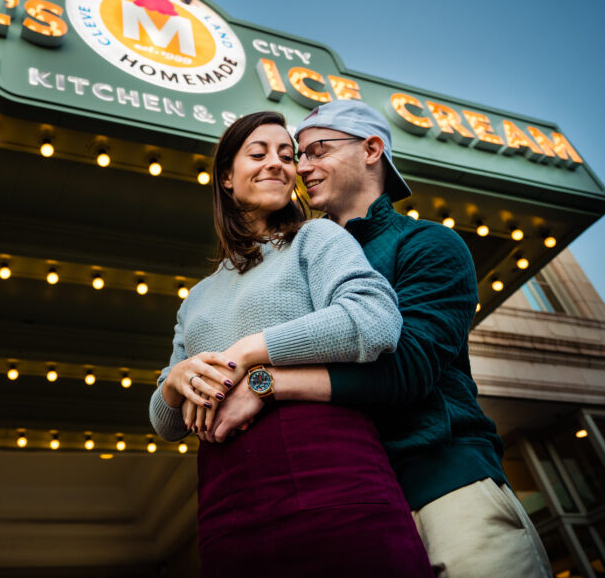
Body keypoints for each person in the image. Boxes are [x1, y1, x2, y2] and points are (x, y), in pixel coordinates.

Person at [211, 100, 552, 578]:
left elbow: (407, 369)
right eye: (298, 155)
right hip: (348, 502)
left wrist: (265, 382)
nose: (300, 167)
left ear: (372, 149)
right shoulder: (295, 264)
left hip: (444, 486)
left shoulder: (428, 244)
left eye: (317, 150)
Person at [149, 111, 432, 577]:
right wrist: (175, 382)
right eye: (257, 154)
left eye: (287, 155)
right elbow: (165, 424)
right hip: (226, 497)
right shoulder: (196, 296)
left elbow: (375, 320)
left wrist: (249, 350)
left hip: (331, 470)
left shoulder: (315, 238)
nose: (278, 164)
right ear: (225, 177)